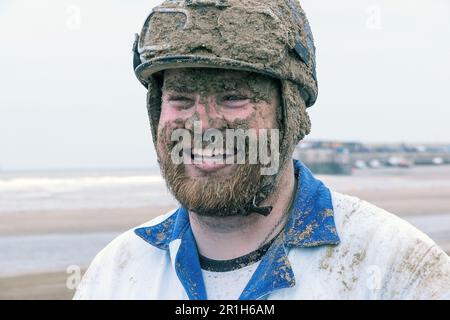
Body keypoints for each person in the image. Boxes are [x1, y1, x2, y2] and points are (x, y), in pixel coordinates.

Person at [74, 0, 450, 300]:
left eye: (234, 98)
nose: (201, 126)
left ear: (292, 116)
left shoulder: (398, 267)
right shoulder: (116, 272)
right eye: (181, 99)